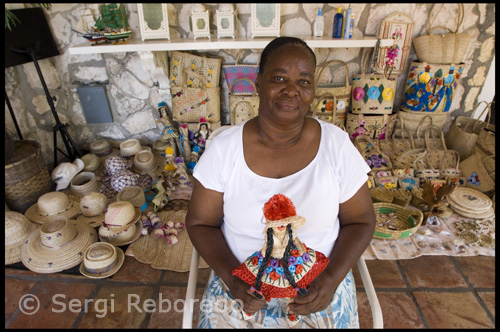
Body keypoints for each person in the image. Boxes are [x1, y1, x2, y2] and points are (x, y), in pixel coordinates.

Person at [186, 36, 376, 328]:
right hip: (239, 284)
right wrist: (234, 279)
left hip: (320, 288)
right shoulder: (225, 150)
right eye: (279, 78)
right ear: (258, 83)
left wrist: (330, 279)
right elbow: (201, 223)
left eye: (303, 81)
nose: (291, 91)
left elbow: (361, 220)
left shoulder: (336, 146)